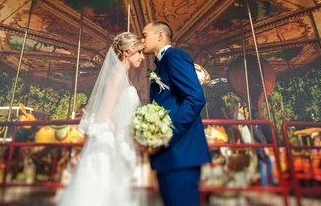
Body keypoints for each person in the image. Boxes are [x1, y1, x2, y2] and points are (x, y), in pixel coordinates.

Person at [59, 32, 145, 206]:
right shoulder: (118, 74)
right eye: (139, 52)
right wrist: (118, 132)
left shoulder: (121, 74)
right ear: (127, 52)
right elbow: (102, 116)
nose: (143, 57)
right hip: (110, 144)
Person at [141, 22, 211, 206]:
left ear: (159, 36)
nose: (142, 40)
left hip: (180, 154)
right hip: (170, 157)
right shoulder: (160, 65)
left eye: (144, 34)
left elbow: (195, 98)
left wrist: (164, 135)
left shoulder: (175, 57)